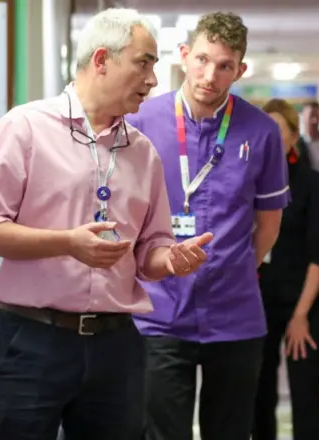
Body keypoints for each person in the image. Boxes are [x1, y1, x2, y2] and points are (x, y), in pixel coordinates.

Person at [0, 9, 213, 440]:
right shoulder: (25, 128)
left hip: (117, 344)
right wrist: (66, 243)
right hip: (35, 338)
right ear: (101, 60)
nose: (153, 80)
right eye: (144, 63)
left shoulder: (143, 152)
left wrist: (170, 259)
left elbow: (148, 250)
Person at [125, 12, 290, 440]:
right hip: (158, 313)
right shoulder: (141, 123)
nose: (209, 75)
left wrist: (235, 267)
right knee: (161, 432)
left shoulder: (262, 131)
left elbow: (268, 224)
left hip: (235, 316)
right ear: (183, 56)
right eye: (201, 60)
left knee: (231, 431)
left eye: (224, 65)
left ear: (240, 70)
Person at [252, 98, 319, 440]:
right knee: (260, 394)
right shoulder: (249, 181)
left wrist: (300, 315)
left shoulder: (312, 184)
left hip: (306, 302)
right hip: (259, 303)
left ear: (293, 137)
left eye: (277, 132)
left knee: (304, 395)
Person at [297, 101, 319, 173]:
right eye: (311, 115)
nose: (314, 120)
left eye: (317, 116)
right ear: (303, 117)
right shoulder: (297, 145)